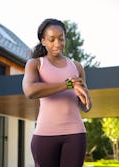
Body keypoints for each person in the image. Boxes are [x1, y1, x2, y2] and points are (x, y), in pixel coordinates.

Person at [22, 18, 92, 167]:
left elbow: (85, 107)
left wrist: (86, 99)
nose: (57, 44)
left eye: (61, 39)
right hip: (45, 134)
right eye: (52, 39)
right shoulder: (35, 64)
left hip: (75, 134)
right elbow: (30, 91)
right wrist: (66, 84)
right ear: (43, 41)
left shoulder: (77, 67)